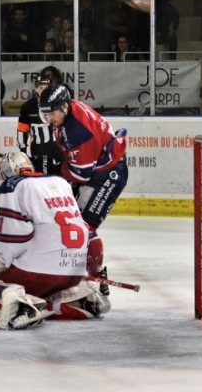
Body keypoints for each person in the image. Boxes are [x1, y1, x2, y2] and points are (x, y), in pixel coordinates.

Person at [0, 152, 111, 330]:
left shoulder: (12, 186)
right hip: (73, 273)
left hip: (38, 274)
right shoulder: (60, 182)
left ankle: (19, 307)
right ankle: (80, 298)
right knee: (47, 287)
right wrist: (94, 271)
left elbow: (12, 244)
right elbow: (90, 235)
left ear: (6, 173)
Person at [38, 84, 128, 296]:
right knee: (69, 219)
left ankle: (98, 275)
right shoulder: (66, 115)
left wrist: (55, 169)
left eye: (51, 113)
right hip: (96, 169)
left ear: (64, 107)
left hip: (107, 174)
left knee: (83, 226)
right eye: (46, 114)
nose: (49, 118)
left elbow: (81, 175)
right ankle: (74, 270)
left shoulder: (79, 129)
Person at [16, 74, 63, 175]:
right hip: (39, 152)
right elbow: (22, 131)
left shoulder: (59, 103)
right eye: (40, 87)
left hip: (60, 150)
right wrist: (23, 152)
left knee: (63, 179)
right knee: (43, 180)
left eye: (46, 88)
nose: (43, 90)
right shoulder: (28, 107)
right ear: (36, 89)